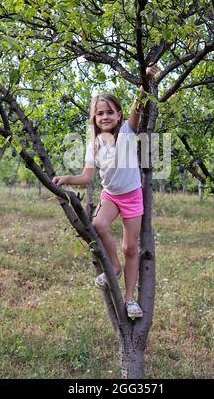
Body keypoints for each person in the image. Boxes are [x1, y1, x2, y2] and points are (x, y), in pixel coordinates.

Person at [52, 65, 157, 319]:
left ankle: (130, 299)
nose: (105, 116)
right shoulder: (95, 143)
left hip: (132, 196)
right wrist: (65, 178)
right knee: (98, 224)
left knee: (130, 247)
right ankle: (113, 267)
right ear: (95, 118)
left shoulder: (128, 132)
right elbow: (87, 178)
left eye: (110, 112)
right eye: (100, 113)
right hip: (110, 195)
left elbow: (138, 106)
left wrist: (147, 79)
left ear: (119, 115)